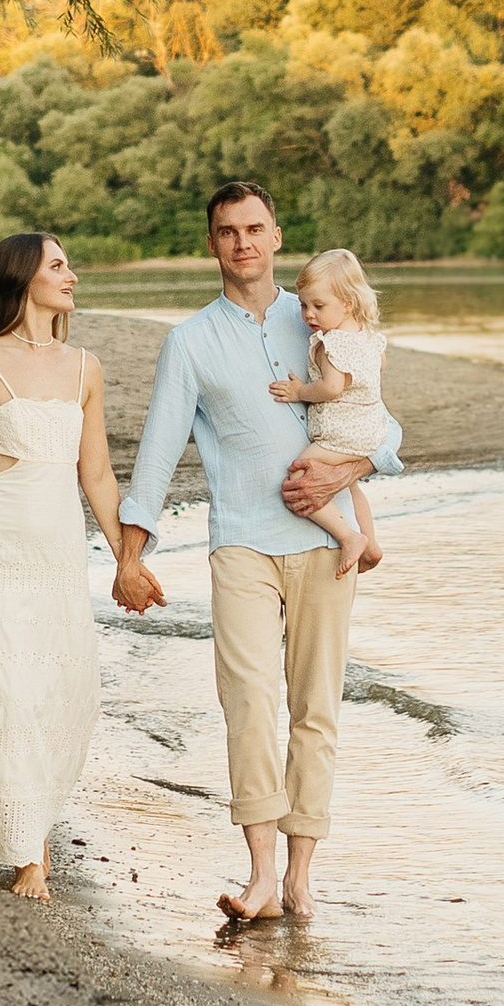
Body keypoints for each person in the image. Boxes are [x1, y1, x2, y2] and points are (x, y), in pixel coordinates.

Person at [113, 180, 400, 928]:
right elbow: (156, 453)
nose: (242, 242)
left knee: (316, 710)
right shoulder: (189, 342)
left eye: (255, 228)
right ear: (212, 244)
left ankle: (303, 879)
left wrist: (352, 468)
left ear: (276, 236)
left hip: (322, 542)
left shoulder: (322, 316)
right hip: (240, 541)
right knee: (247, 703)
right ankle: (263, 876)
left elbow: (382, 424)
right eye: (227, 231)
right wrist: (129, 555)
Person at [0, 230, 146, 904]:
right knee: (6, 694)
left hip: (58, 560)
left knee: (63, 698)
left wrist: (126, 558)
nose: (72, 275)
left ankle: (32, 833)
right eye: (59, 265)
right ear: (24, 278)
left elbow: (100, 474)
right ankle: (29, 857)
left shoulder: (86, 368)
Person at [267, 247, 396, 580]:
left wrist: (300, 392)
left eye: (319, 306)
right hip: (371, 430)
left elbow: (331, 388)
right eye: (304, 305)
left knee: (299, 477)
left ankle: (349, 537)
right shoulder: (370, 338)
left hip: (341, 434)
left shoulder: (330, 344)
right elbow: (379, 368)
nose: (309, 314)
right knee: (351, 487)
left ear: (348, 303)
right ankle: (372, 544)